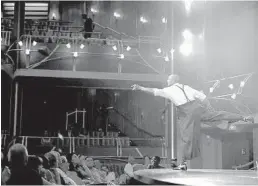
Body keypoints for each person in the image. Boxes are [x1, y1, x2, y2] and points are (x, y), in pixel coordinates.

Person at [132, 74, 254, 170]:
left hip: (187, 112)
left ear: (173, 80)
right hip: (197, 108)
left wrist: (140, 88)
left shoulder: (169, 90)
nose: (167, 81)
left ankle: (183, 163)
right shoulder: (187, 87)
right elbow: (203, 97)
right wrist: (209, 109)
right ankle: (243, 117)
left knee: (186, 137)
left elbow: (154, 91)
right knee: (217, 115)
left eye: (169, 79)